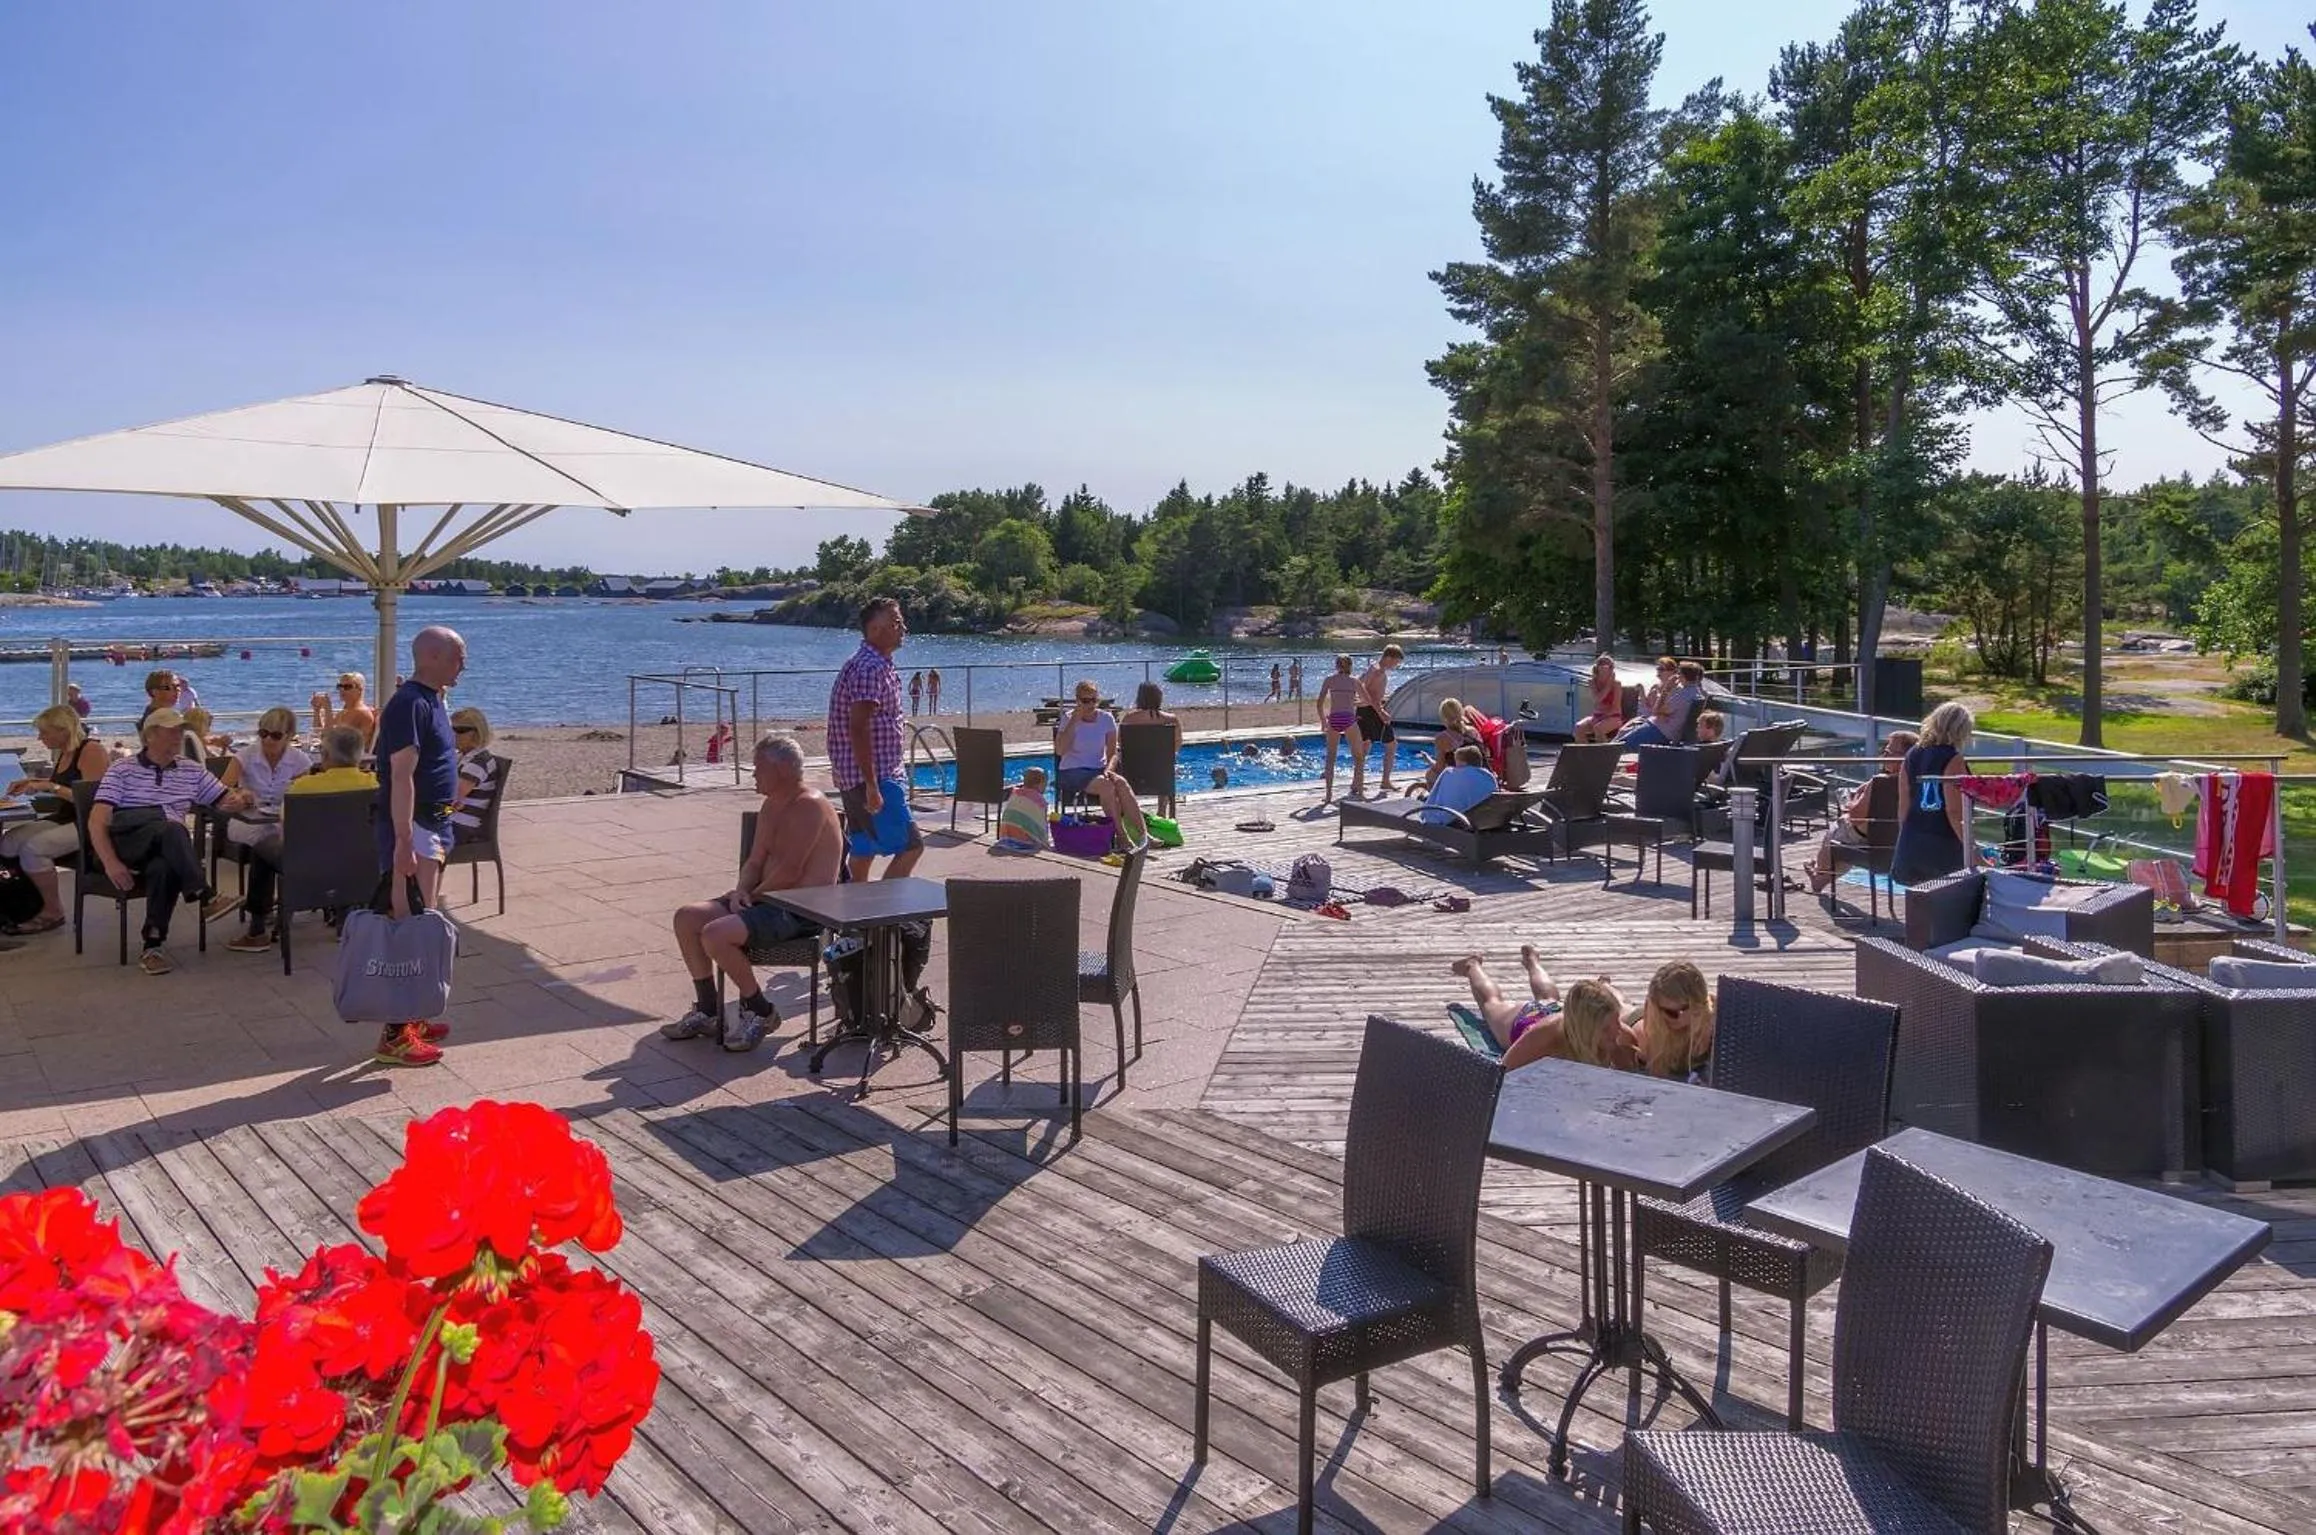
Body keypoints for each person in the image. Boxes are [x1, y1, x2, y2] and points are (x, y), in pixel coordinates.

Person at [663, 733, 844, 1051]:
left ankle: (761, 1011)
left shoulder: (809, 805)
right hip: (766, 899)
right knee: (687, 918)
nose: (754, 774)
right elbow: (756, 859)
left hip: (801, 910)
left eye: (759, 767)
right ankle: (708, 1010)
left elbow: (791, 871)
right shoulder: (772, 804)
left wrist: (753, 896)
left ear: (782, 769)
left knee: (715, 934)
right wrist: (741, 891)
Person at [88, 708, 252, 975]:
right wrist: (110, 863)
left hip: (166, 843)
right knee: (173, 829)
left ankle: (152, 945)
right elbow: (97, 820)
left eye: (180, 731)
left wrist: (241, 799)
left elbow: (224, 799)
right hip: (127, 841)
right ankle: (205, 896)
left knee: (164, 866)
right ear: (150, 736)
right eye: (172, 731)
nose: (178, 737)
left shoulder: (191, 770)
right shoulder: (122, 769)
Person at [371, 627, 468, 1066]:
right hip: (418, 826)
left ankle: (414, 1018)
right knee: (409, 925)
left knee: (423, 923)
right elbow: (401, 775)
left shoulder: (432, 700)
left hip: (435, 823)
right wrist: (404, 840)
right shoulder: (409, 703)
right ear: (431, 656)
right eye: (457, 657)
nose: (463, 665)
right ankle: (395, 1034)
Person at [225, 726, 376, 954]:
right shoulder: (374, 785)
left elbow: (287, 830)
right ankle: (344, 917)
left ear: (325, 755)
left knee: (262, 849)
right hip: (358, 865)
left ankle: (257, 930)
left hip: (309, 865)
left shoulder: (304, 787)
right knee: (343, 848)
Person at [827, 596, 924, 881]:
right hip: (875, 777)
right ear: (875, 629)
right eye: (896, 622)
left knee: (864, 847)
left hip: (856, 775)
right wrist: (871, 784)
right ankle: (884, 906)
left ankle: (855, 904)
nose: (903, 628)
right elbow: (858, 727)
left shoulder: (874, 663)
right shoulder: (870, 668)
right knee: (911, 846)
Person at [1, 703, 111, 934]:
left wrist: (50, 787)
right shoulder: (65, 751)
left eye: (44, 732)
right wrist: (33, 783)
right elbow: (62, 785)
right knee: (8, 842)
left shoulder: (91, 751)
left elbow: (93, 800)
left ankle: (53, 911)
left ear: (63, 730)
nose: (40, 738)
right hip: (67, 816)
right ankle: (22, 905)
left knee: (34, 848)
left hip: (90, 822)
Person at [1452, 950, 1642, 1073]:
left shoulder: (1622, 1036)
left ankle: (1533, 962)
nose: (1617, 1030)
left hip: (1562, 1010)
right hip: (1530, 1018)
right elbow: (1502, 1073)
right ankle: (1472, 966)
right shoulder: (1546, 1037)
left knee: (1549, 998)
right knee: (1493, 1004)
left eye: (1617, 1021)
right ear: (1586, 1028)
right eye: (1606, 1028)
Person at [1808, 730, 1918, 893]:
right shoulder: (1919, 781)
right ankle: (1820, 878)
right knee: (1845, 836)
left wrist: (1851, 803)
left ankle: (1820, 876)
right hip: (1904, 843)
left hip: (1875, 845)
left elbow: (1856, 817)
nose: (1883, 756)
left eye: (1888, 753)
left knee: (1836, 831)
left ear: (1903, 757)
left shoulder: (1879, 784)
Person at [1054, 678, 1148, 847]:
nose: (1090, 705)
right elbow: (1060, 750)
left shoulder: (1106, 718)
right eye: (1086, 701)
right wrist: (1074, 721)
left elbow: (1113, 753)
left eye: (1094, 700)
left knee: (1121, 782)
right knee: (1107, 786)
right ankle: (1122, 836)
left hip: (1098, 769)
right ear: (1077, 701)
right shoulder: (1068, 719)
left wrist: (1109, 769)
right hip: (1073, 771)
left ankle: (1144, 835)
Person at [1892, 702, 1977, 888]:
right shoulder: (1953, 759)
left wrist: (1904, 840)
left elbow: (1903, 804)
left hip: (1913, 839)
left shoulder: (1912, 754)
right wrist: (1973, 852)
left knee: (1919, 898)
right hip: (1943, 843)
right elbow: (1954, 811)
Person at [218, 706, 311, 847]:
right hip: (248, 821)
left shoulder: (300, 761)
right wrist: (240, 795)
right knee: (274, 840)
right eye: (263, 733)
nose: (268, 739)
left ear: (290, 736)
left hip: (284, 822)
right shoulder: (245, 756)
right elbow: (221, 791)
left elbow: (302, 800)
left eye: (276, 736)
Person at [1629, 960, 1715, 1081]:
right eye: (1670, 1012)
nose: (1675, 1017)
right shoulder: (1644, 1038)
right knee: (1621, 1006)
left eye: (1673, 1012)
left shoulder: (1714, 1024)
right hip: (1636, 1019)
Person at [1617, 660, 1706, 746]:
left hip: (1660, 730)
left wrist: (1666, 689)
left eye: (1679, 673)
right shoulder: (1695, 693)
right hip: (1661, 727)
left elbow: (1656, 711)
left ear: (1682, 676)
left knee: (1621, 744)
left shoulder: (1684, 694)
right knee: (1623, 733)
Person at [1355, 644, 1404, 795]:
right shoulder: (1378, 671)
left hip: (1363, 710)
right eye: (1396, 662)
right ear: (1389, 658)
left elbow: (1360, 684)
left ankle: (1356, 782)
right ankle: (1385, 781)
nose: (1396, 666)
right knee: (1391, 745)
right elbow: (1369, 694)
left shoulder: (1372, 667)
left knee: (1365, 745)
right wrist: (1381, 711)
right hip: (1372, 711)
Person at [1314, 654, 1363, 803]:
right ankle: (1360, 792)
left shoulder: (1329, 680)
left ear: (1336, 665)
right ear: (1350, 666)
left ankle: (1329, 795)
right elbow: (1366, 700)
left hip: (1334, 718)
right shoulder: (1354, 681)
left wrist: (1323, 721)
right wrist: (1354, 702)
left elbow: (1319, 703)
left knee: (1331, 758)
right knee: (1358, 757)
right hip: (1349, 718)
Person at [449, 707, 500, 845]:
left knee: (410, 831)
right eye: (451, 729)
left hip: (461, 825)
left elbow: (451, 799)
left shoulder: (478, 762)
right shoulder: (462, 757)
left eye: (459, 730)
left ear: (477, 733)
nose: (452, 734)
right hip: (453, 818)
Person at [1422, 698, 1486, 790]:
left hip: (1463, 781)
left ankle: (1436, 798)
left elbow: (1439, 768)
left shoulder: (1442, 738)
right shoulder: (1474, 731)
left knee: (1430, 774)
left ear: (1444, 718)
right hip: (1482, 776)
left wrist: (1428, 760)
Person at [1423, 745, 1500, 820]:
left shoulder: (1450, 773)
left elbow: (1434, 799)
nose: (1456, 766)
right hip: (1484, 820)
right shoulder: (1488, 777)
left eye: (1457, 762)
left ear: (1464, 763)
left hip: (1457, 820)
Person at [311, 671, 379, 748]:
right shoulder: (344, 712)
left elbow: (329, 738)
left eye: (347, 687)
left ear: (359, 690)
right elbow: (320, 734)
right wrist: (317, 711)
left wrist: (328, 709)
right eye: (340, 686)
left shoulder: (362, 713)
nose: (342, 690)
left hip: (350, 754)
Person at [995, 765, 1052, 851]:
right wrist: (1045, 843)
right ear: (1040, 784)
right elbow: (1042, 825)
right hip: (1026, 841)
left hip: (1006, 837)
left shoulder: (1015, 793)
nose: (1045, 787)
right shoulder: (1039, 801)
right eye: (1045, 784)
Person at [1573, 655, 1624, 743]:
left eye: (1607, 665)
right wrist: (1608, 685)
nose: (1604, 667)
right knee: (1578, 727)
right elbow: (1597, 700)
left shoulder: (1616, 684)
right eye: (1601, 664)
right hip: (1597, 716)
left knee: (1598, 728)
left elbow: (1615, 706)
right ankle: (1584, 750)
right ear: (1597, 667)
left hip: (1613, 717)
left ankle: (1603, 751)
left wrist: (1610, 683)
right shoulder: (1592, 682)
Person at [1120, 682, 1180, 748]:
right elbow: (1177, 744)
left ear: (1139, 698)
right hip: (1163, 755)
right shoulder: (1171, 719)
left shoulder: (1128, 719)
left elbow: (1121, 742)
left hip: (1134, 754)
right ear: (1159, 697)